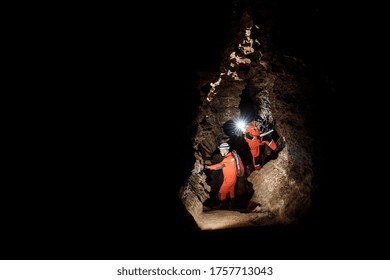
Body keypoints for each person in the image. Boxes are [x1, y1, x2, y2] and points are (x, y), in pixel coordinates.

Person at [205, 143, 244, 209]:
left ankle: (222, 206)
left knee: (221, 192)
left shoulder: (228, 159)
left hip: (228, 180)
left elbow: (219, 166)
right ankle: (232, 206)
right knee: (231, 192)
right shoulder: (232, 156)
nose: (220, 152)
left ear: (225, 150)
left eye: (221, 150)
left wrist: (208, 167)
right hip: (233, 178)